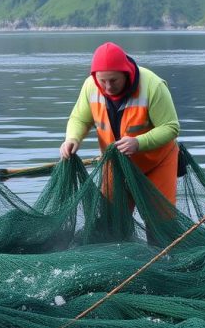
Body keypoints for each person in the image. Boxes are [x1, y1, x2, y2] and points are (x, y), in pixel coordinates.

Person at [60, 41, 181, 213]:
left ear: (126, 73)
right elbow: (79, 118)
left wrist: (138, 143)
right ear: (95, 77)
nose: (108, 87)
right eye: (103, 81)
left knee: (160, 220)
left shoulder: (153, 86)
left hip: (157, 164)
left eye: (114, 80)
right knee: (112, 219)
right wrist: (72, 138)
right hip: (115, 165)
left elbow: (171, 127)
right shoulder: (90, 86)